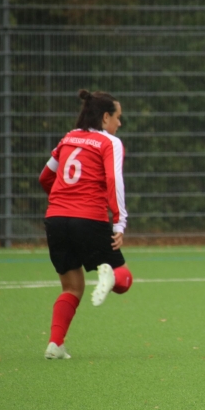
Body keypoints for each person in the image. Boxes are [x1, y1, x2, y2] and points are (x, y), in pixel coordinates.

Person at [38, 89, 134, 360]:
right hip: (88, 218)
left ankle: (55, 344)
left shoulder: (69, 137)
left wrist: (64, 200)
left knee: (71, 288)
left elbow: (45, 177)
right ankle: (108, 272)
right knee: (124, 280)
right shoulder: (110, 142)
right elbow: (114, 181)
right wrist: (119, 222)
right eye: (118, 117)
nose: (119, 123)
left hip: (56, 220)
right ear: (105, 117)